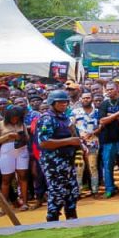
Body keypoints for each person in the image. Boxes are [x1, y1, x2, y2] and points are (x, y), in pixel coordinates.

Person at [35, 90, 82, 222]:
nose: (63, 104)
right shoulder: (47, 119)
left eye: (65, 102)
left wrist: (79, 144)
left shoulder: (64, 117)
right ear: (52, 103)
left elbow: (73, 134)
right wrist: (69, 141)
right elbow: (44, 143)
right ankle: (52, 220)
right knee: (57, 192)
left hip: (68, 160)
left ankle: (72, 217)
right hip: (53, 162)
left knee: (72, 191)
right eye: (60, 102)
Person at [0, 105, 32, 211]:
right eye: (13, 117)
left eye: (17, 117)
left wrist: (21, 136)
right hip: (6, 151)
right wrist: (7, 136)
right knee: (6, 179)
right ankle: (4, 206)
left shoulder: (22, 124)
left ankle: (25, 203)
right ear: (8, 116)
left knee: (23, 176)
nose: (15, 119)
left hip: (21, 149)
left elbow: (27, 138)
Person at [97, 80, 119, 197]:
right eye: (107, 89)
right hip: (107, 139)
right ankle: (110, 189)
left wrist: (111, 116)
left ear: (117, 89)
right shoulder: (104, 104)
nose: (109, 91)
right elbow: (102, 120)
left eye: (111, 89)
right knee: (107, 165)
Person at [71, 92, 101, 196]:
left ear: (92, 99)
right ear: (80, 99)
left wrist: (93, 133)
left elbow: (101, 125)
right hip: (78, 143)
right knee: (79, 167)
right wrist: (77, 138)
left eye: (88, 98)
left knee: (92, 166)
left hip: (93, 142)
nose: (86, 100)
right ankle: (78, 192)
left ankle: (95, 190)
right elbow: (71, 126)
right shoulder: (75, 112)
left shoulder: (97, 112)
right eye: (84, 98)